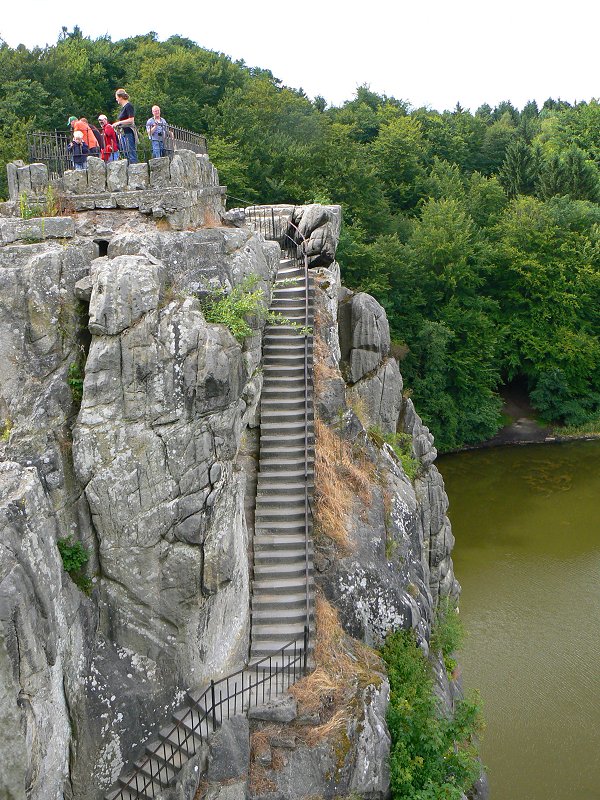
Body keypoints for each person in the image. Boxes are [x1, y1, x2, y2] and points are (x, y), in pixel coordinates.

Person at [113, 89, 137, 163]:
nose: (116, 99)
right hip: (124, 132)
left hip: (129, 132)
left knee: (131, 152)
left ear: (120, 97)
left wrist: (119, 123)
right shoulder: (124, 107)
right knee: (126, 152)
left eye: (116, 97)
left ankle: (134, 167)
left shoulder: (129, 106)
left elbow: (131, 120)